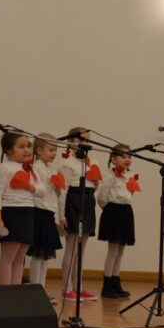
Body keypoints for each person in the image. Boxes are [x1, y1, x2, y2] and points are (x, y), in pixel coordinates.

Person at [59, 127, 102, 301]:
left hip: (88, 201)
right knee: (71, 246)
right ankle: (67, 288)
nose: (84, 143)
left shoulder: (93, 162)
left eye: (87, 140)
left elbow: (96, 186)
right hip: (73, 202)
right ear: (71, 142)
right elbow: (62, 191)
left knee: (82, 249)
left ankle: (79, 286)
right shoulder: (67, 163)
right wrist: (61, 215)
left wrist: (96, 182)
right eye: (80, 140)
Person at [0, 131, 41, 285]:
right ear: (8, 150)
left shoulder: (30, 169)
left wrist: (28, 186)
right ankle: (6, 294)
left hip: (28, 212)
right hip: (11, 213)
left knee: (20, 258)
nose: (27, 150)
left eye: (28, 146)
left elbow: (43, 190)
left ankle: (16, 292)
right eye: (21, 147)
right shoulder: (5, 168)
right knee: (8, 258)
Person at [27, 133, 64, 302]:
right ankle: (35, 289)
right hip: (39, 213)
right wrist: (51, 182)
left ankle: (41, 288)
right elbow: (38, 188)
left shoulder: (52, 169)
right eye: (51, 149)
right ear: (39, 150)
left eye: (55, 150)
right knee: (38, 255)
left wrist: (58, 186)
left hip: (49, 213)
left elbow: (56, 194)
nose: (54, 153)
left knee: (46, 256)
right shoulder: (35, 168)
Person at [98, 144, 139, 298]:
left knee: (121, 251)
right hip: (113, 211)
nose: (127, 159)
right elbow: (102, 197)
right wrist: (109, 211)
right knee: (113, 250)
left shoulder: (129, 174)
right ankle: (107, 285)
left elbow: (129, 194)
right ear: (113, 159)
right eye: (123, 156)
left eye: (129, 156)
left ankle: (116, 282)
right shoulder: (110, 175)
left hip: (126, 211)